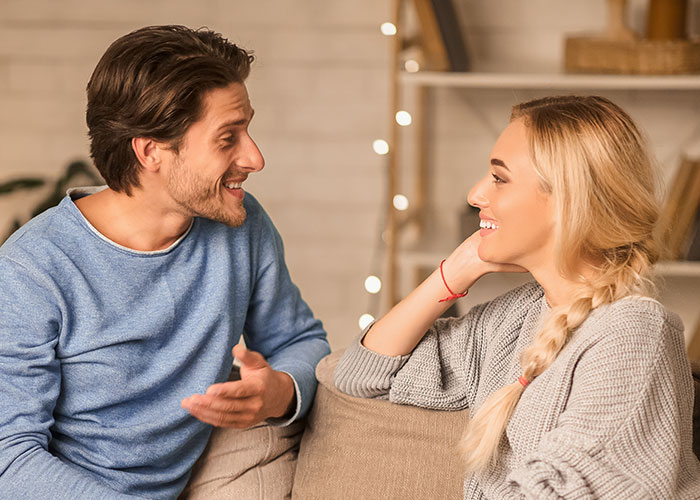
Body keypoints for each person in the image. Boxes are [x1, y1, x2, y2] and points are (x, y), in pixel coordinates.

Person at [0, 25, 329, 499]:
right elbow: (10, 457)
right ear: (151, 150)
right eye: (227, 138)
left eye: (248, 129)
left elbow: (300, 340)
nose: (255, 157)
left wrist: (277, 391)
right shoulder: (32, 270)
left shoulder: (243, 226)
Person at [335, 95, 700, 499]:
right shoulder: (517, 317)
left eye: (499, 178)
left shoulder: (633, 334)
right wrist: (458, 268)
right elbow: (362, 374)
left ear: (568, 200)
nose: (476, 194)